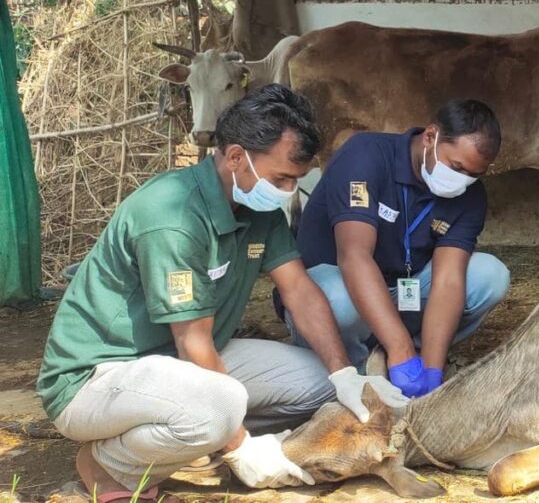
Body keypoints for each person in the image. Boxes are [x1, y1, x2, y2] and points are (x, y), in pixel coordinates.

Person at [36, 85, 407, 502]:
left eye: (296, 180)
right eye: (281, 177)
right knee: (218, 408)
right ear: (235, 157)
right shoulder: (170, 216)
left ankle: (185, 436)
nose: (288, 190)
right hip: (99, 377)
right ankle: (110, 464)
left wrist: (344, 375)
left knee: (323, 382)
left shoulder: (258, 208)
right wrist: (240, 446)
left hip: (181, 362)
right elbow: (192, 340)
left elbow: (300, 291)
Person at [284, 99, 510, 398]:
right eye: (457, 167)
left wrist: (432, 370)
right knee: (339, 298)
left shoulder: (469, 196)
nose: (463, 180)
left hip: (400, 293)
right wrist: (400, 348)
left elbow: (448, 279)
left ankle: (409, 360)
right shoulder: (365, 155)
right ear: (430, 137)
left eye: (474, 174)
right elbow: (354, 257)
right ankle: (359, 368)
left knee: (490, 276)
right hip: (338, 289)